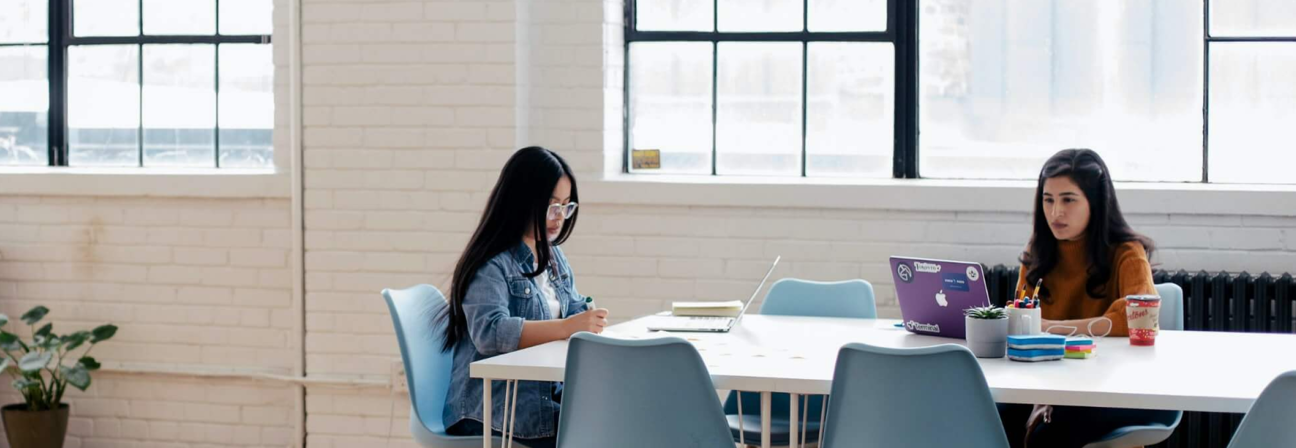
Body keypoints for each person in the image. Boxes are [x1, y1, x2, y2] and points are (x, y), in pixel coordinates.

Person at [999, 148, 1177, 448]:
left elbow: (1136, 321)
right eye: (1048, 199)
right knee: (991, 418)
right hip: (1050, 384)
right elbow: (1020, 322)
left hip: (1119, 388)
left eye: (1068, 199)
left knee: (1047, 436)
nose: (1056, 212)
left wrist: (1045, 328)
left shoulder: (1126, 252)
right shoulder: (1037, 255)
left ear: (1095, 202)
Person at [437, 146, 609, 448]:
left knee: (615, 417)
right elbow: (490, 333)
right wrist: (568, 326)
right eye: (551, 205)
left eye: (567, 206)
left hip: (540, 401)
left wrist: (587, 316)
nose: (560, 217)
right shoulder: (491, 263)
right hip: (491, 412)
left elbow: (572, 306)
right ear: (522, 201)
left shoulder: (553, 256)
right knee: (602, 432)